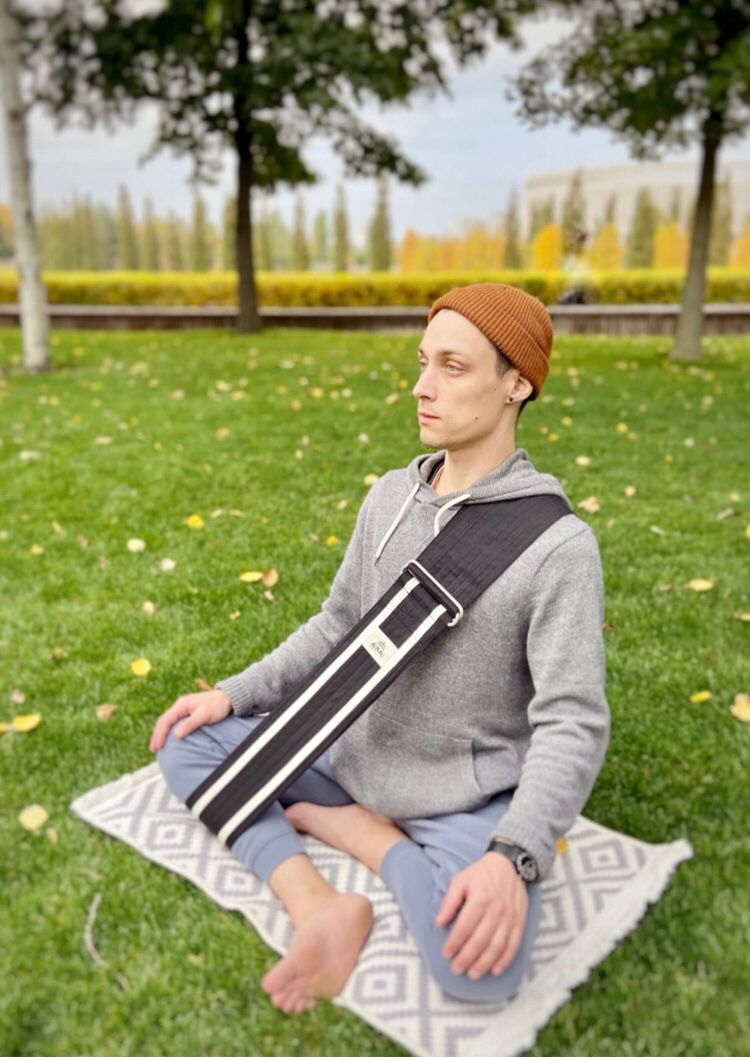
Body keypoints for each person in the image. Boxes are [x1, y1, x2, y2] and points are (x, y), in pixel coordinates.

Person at [149, 282, 610, 1015]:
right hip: (348, 755)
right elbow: (337, 626)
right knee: (186, 740)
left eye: (453, 367)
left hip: (457, 795)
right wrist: (233, 695)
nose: (422, 387)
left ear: (517, 384)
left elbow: (573, 721)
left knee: (478, 973)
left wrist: (513, 854)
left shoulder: (559, 549)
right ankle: (320, 905)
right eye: (424, 362)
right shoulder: (390, 496)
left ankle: (363, 836)